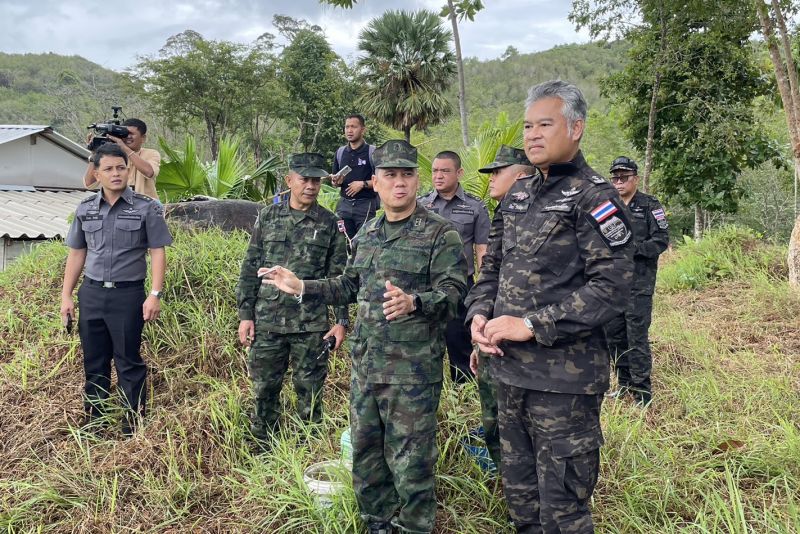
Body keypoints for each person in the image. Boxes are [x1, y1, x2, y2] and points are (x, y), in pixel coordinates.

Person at [263, 140, 467, 534]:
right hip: (367, 367)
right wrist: (302, 285)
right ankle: (377, 522)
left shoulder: (441, 234)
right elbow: (349, 285)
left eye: (407, 174)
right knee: (367, 457)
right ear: (375, 182)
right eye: (390, 175)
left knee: (412, 463)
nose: (400, 183)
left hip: (412, 375)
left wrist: (415, 302)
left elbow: (456, 294)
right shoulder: (370, 231)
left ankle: (413, 527)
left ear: (417, 179)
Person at [466, 80, 634, 533]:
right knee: (520, 501)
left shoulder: (594, 196)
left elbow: (613, 287)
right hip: (508, 373)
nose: (532, 135)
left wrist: (531, 324)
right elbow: (492, 268)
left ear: (576, 128)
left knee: (562, 508)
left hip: (563, 383)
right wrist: (479, 316)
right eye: (527, 126)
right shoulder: (518, 194)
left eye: (545, 124)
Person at [235, 153, 349, 443]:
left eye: (316, 180)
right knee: (264, 390)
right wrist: (246, 315)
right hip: (268, 321)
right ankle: (263, 448)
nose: (311, 186)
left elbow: (340, 277)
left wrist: (342, 322)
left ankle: (306, 451)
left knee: (309, 393)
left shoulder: (330, 223)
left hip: (311, 325)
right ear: (289, 180)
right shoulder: (269, 217)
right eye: (304, 179)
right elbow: (251, 267)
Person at [61, 142, 173, 436]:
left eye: (121, 168)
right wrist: (67, 295)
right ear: (96, 174)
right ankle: (95, 424)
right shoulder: (85, 208)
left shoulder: (146, 207)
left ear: (128, 170)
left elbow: (157, 251)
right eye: (108, 169)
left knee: (128, 361)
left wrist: (155, 294)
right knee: (94, 360)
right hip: (92, 293)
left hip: (128, 295)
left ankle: (131, 426)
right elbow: (77, 253)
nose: (116, 174)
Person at [468, 144, 535, 474]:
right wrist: (479, 320)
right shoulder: (503, 216)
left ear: (521, 174)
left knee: (527, 430)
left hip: (532, 345)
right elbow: (489, 272)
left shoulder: (545, 217)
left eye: (498, 171)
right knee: (494, 420)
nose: (491, 178)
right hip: (494, 343)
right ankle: (509, 488)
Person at [418, 150, 490, 383]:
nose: (438, 176)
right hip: (425, 285)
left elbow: (482, 250)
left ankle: (462, 391)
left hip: (460, 286)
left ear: (459, 173)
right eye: (435, 171)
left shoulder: (475, 207)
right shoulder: (420, 205)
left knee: (459, 342)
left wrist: (484, 289)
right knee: (423, 342)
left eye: (445, 171)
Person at [604, 156, 669, 406]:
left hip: (639, 284)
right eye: (615, 178)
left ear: (635, 179)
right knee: (615, 336)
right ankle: (624, 385)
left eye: (624, 177)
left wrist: (634, 249)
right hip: (611, 284)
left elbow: (661, 240)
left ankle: (642, 392)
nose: (619, 182)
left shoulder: (650, 205)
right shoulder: (608, 207)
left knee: (636, 337)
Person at [84, 118, 161, 200]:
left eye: (131, 134)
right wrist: (95, 153)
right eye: (125, 133)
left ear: (143, 138)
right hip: (119, 208)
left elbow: (149, 172)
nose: (127, 136)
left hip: (147, 208)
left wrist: (124, 147)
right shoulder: (112, 155)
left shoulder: (151, 153)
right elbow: (89, 184)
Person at [330, 114, 378, 239]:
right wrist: (335, 181)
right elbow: (335, 182)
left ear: (363, 130)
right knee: (344, 243)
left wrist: (363, 184)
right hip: (344, 206)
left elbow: (383, 180)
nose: (349, 130)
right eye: (347, 127)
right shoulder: (340, 152)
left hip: (365, 206)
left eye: (353, 127)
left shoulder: (372, 152)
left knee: (364, 243)